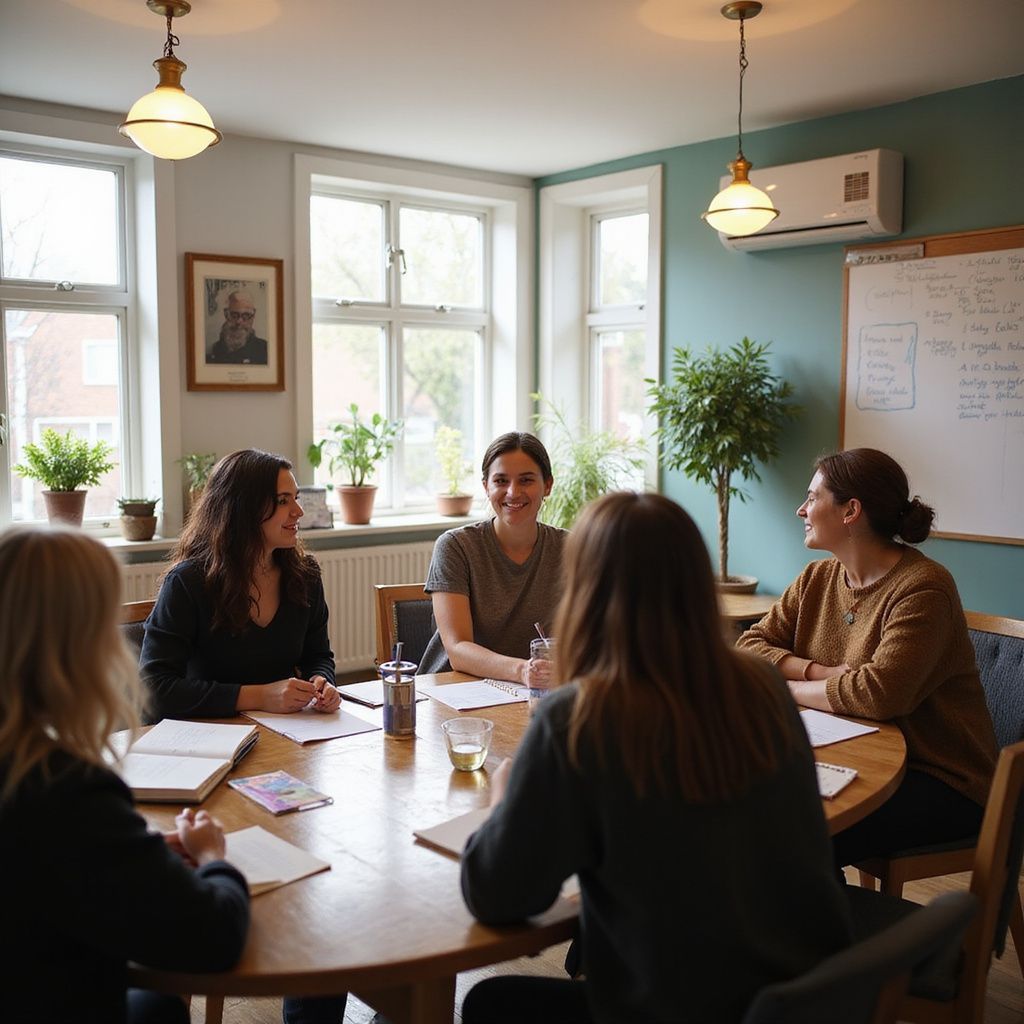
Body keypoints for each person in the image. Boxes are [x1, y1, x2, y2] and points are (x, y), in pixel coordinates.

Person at [460, 493, 852, 1024]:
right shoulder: (761, 685)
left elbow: (498, 895)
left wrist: (500, 805)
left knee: (487, 1003)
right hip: (807, 998)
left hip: (680, 1009)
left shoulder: (577, 719)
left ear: (584, 593)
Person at [0, 525, 250, 1024]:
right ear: (77, 645)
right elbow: (211, 937)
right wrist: (214, 859)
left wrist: (140, 851)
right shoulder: (65, 787)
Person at [737, 448, 997, 868]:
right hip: (854, 754)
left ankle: (829, 932)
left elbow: (878, 694)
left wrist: (786, 688)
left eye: (812, 498)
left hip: (939, 777)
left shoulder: (923, 588)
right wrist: (818, 672)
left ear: (850, 511)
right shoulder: (817, 578)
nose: (800, 509)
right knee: (759, 811)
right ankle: (816, 928)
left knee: (794, 832)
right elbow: (750, 647)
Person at [141, 448, 342, 721]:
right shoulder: (187, 583)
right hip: (205, 738)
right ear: (244, 509)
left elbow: (317, 655)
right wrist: (259, 697)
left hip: (285, 733)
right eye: (283, 501)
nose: (299, 511)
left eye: (296, 498)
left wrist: (321, 681)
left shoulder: (305, 576)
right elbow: (154, 689)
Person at [419, 431, 567, 685]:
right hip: (454, 692)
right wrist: (523, 671)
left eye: (526, 480)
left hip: (532, 693)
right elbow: (457, 648)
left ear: (548, 485)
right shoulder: (456, 546)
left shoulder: (570, 548)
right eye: (500, 481)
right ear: (486, 487)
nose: (513, 492)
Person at [207, 289, 269, 365]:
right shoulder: (213, 350)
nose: (239, 321)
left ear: (253, 317)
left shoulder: (265, 350)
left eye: (246, 315)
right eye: (234, 315)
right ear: (226, 314)